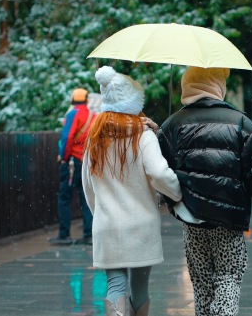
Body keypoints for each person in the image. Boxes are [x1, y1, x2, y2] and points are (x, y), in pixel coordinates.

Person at [157, 66, 252, 316]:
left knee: (201, 281)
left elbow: (162, 172)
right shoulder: (242, 123)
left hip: (191, 214)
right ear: (217, 85)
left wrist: (173, 201)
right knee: (228, 276)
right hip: (229, 217)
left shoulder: (172, 124)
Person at [82, 66, 183, 316]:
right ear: (133, 103)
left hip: (107, 224)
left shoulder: (95, 139)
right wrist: (177, 193)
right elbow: (159, 173)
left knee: (115, 284)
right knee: (140, 286)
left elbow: (87, 185)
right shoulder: (143, 135)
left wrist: (101, 212)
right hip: (140, 225)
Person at [49, 88, 95, 245]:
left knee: (64, 198)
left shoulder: (73, 114)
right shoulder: (93, 116)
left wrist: (63, 156)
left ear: (72, 101)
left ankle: (64, 235)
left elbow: (67, 136)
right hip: (87, 163)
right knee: (86, 198)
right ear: (87, 100)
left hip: (72, 163)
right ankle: (89, 235)